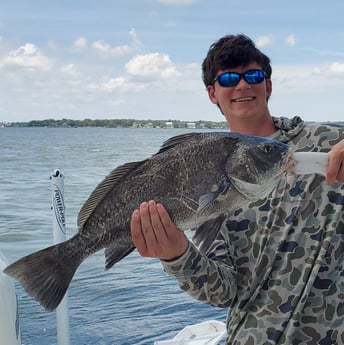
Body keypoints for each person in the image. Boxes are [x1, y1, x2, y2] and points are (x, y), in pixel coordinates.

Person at [130, 34, 344, 344]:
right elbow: (225, 289)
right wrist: (175, 255)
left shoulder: (327, 141)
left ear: (268, 86)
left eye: (253, 75)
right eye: (229, 78)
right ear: (212, 94)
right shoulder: (203, 179)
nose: (242, 85)